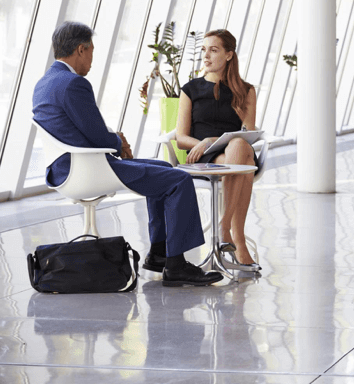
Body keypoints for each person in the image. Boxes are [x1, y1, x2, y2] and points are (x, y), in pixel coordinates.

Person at [32, 22, 222, 287]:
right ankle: (177, 266)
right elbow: (98, 137)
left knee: (162, 168)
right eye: (92, 52)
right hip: (86, 168)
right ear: (80, 49)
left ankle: (158, 254)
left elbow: (85, 131)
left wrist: (113, 141)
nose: (91, 60)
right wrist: (118, 141)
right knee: (178, 180)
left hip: (67, 166)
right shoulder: (73, 83)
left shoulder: (45, 83)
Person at [176, 29, 261, 270]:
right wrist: (204, 143)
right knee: (242, 158)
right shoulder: (190, 89)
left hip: (233, 151)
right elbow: (182, 138)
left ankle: (226, 228)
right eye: (204, 49)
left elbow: (247, 133)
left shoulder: (246, 90)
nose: (206, 55)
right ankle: (237, 238)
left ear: (229, 55)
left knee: (239, 146)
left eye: (214, 50)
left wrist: (212, 139)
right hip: (201, 155)